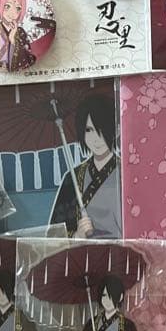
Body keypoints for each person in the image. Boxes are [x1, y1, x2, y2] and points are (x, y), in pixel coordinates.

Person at [49, 94, 121, 239]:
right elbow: (54, 235)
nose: (96, 138)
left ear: (117, 130)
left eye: (102, 129)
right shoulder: (73, 177)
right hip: (84, 251)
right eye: (89, 130)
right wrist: (76, 236)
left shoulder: (128, 174)